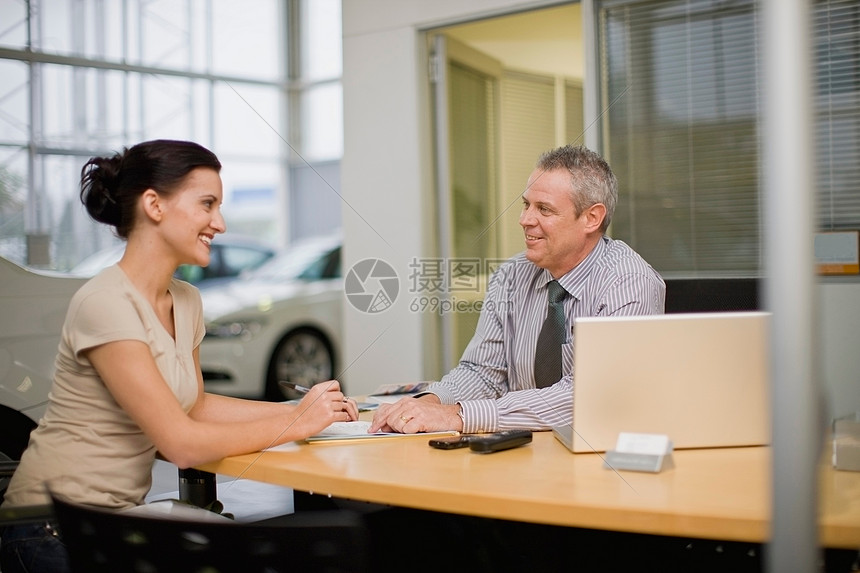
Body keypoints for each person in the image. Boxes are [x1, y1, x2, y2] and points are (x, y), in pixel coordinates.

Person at [0, 140, 357, 573]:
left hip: (115, 519)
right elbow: (181, 444)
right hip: (49, 527)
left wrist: (301, 409)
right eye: (207, 204)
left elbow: (198, 406)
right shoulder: (105, 301)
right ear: (154, 205)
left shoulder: (185, 299)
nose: (220, 223)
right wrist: (297, 423)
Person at [370, 144, 665, 435]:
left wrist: (459, 416)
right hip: (524, 451)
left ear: (591, 218)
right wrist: (426, 404)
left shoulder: (629, 283)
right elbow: (483, 373)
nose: (525, 220)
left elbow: (587, 396)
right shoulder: (512, 275)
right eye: (526, 205)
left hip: (601, 454)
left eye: (544, 209)